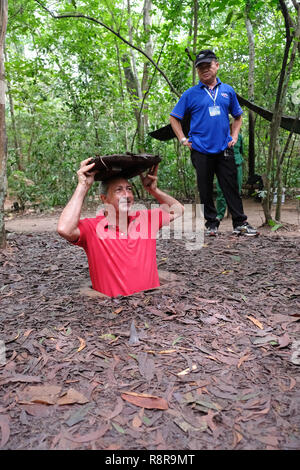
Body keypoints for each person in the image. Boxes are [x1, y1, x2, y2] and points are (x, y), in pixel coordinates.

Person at [57, 158, 184, 297]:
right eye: (119, 190)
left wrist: (153, 190)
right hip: (113, 312)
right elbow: (65, 229)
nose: (127, 195)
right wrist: (83, 186)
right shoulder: (93, 227)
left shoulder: (145, 219)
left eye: (129, 189)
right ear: (104, 199)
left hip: (151, 309)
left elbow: (178, 210)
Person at [169, 49, 258, 237]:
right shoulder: (190, 94)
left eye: (207, 66)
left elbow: (238, 116)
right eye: (200, 68)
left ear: (216, 65)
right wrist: (183, 139)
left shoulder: (228, 91)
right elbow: (174, 118)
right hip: (200, 149)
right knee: (205, 187)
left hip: (224, 148)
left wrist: (234, 136)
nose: (204, 70)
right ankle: (211, 224)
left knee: (230, 186)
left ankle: (239, 223)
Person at [216, 126, 244, 221]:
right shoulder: (220, 136)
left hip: (237, 164)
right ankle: (220, 214)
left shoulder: (239, 137)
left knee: (237, 190)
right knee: (221, 191)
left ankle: (235, 213)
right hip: (223, 165)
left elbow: (241, 151)